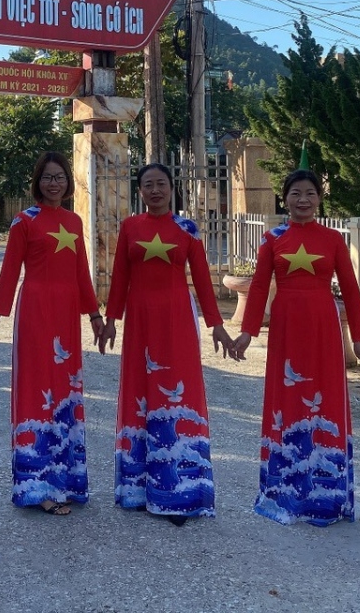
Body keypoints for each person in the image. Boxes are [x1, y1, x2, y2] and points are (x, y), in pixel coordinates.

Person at [232, 168, 360, 526]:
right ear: (285, 198)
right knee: (289, 397)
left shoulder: (333, 240)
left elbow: (352, 291)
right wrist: (248, 333)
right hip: (286, 326)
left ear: (319, 198)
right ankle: (285, 488)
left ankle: (328, 491)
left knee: (325, 397)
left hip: (323, 325)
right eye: (296, 193)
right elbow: (260, 288)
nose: (303, 200)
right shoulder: (272, 239)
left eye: (310, 193)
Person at [98, 163, 234, 526]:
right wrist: (111, 321)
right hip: (140, 320)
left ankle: (180, 489)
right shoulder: (130, 227)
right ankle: (138, 489)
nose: (155, 190)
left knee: (177, 393)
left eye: (161, 184)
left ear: (172, 188)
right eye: (147, 185)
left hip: (177, 319)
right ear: (139, 190)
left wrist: (217, 325)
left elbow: (203, 280)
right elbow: (121, 277)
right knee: (141, 392)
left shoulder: (186, 228)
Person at [0, 152, 99, 516]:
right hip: (34, 311)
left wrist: (94, 315)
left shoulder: (74, 221)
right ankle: (37, 485)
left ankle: (68, 480)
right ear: (37, 181)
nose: (54, 183)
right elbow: (8, 273)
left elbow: (81, 271)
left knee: (65, 392)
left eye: (60, 176)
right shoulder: (24, 222)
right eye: (47, 177)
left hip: (66, 316)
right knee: (37, 392)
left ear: (68, 181)